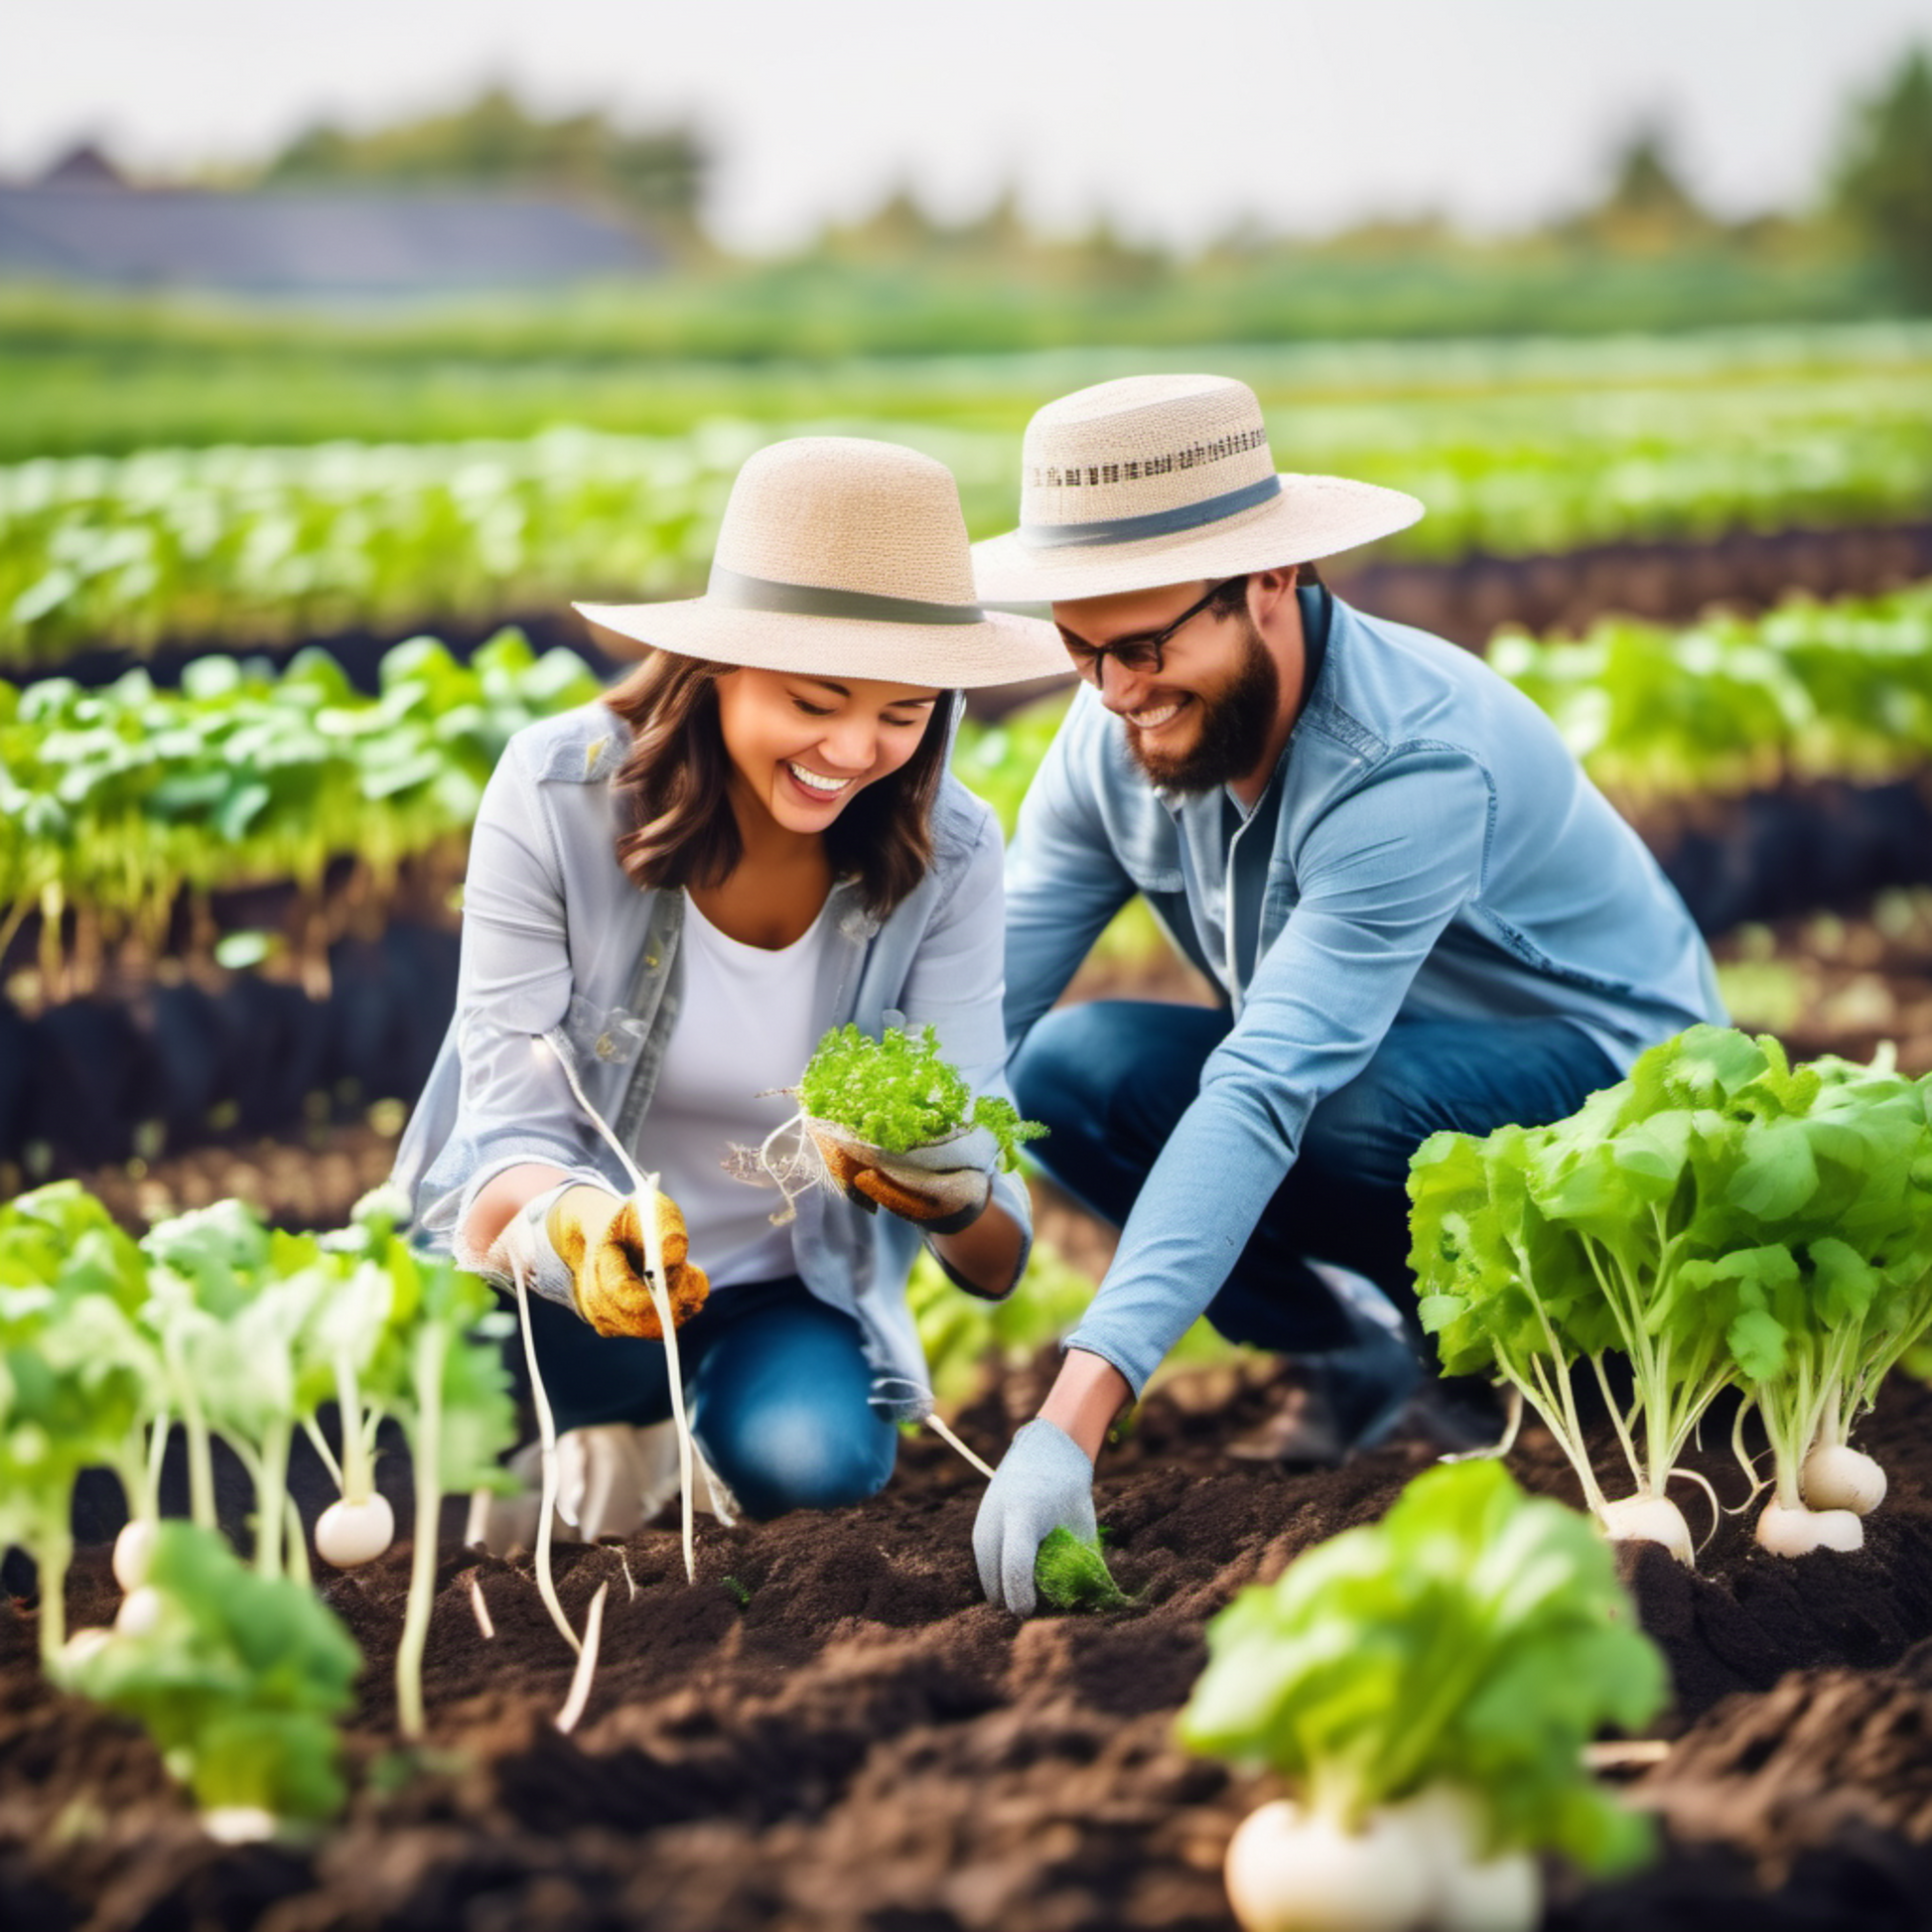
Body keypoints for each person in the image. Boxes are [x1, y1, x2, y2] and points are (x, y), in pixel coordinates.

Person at [968, 374, 1725, 1613]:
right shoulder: (1109, 732)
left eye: (1146, 647)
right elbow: (984, 1009)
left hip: (1616, 1099)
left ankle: (1513, 1360)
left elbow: (1269, 1081)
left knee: (1327, 1107)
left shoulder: (1405, 761)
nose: (1111, 693)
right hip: (1366, 1074)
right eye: (1079, 647)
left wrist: (1070, 1413)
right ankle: (1357, 1347)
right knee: (1067, 1072)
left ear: (1270, 582)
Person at [390, 435, 1068, 1530]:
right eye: (815, 701)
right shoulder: (560, 793)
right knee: (388, 1447)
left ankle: (700, 1430)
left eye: (904, 716)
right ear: (716, 671)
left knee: (812, 1463)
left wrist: (951, 1190)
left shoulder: (950, 852)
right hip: (543, 1284)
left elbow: (994, 1251)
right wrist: (581, 1230)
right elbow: (498, 1140)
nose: (854, 749)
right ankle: (600, 1433)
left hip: (775, 1291)